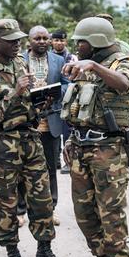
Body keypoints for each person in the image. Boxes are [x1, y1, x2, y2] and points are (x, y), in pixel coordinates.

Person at [0, 18, 67, 257]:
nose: (17, 44)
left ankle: (44, 251)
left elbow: (29, 103)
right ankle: (13, 253)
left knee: (42, 199)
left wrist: (41, 99)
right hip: (3, 145)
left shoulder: (19, 62)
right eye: (11, 40)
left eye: (18, 40)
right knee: (7, 203)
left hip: (31, 139)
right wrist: (15, 92)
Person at [61, 17, 129, 257]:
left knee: (111, 212)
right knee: (84, 211)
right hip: (81, 148)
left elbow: (125, 84)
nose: (76, 46)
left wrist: (92, 66)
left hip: (109, 151)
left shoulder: (122, 61)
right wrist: (70, 139)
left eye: (80, 41)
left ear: (94, 43)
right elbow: (81, 107)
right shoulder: (84, 65)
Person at [19, 26, 69, 225]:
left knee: (50, 168)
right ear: (29, 41)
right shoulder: (19, 60)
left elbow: (67, 84)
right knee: (23, 169)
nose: (41, 41)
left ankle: (50, 208)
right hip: (27, 123)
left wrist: (56, 91)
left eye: (44, 38)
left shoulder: (58, 60)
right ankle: (21, 210)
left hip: (51, 121)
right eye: (37, 38)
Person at [50, 30, 77, 174]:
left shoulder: (72, 58)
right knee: (53, 131)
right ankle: (56, 160)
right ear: (51, 41)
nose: (59, 43)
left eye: (62, 41)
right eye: (56, 40)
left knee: (68, 132)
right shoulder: (47, 58)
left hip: (69, 99)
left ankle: (68, 161)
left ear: (66, 42)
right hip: (53, 100)